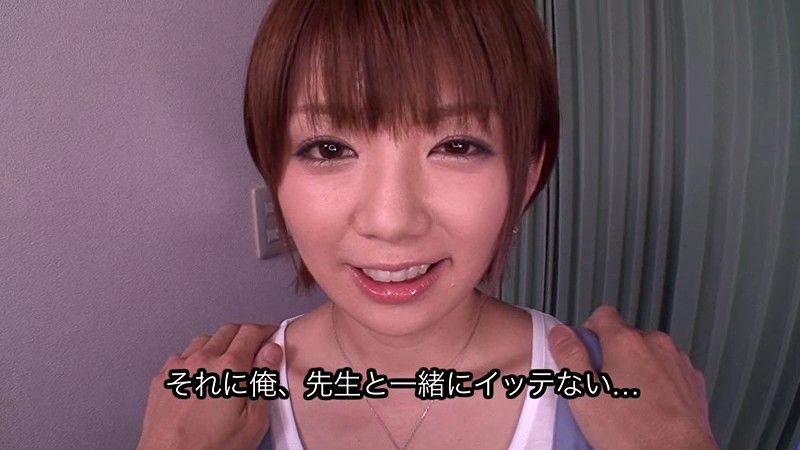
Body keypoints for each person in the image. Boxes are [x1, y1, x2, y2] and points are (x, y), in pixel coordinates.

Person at [138, 1, 717, 448]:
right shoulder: (207, 415)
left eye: (457, 145)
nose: (390, 222)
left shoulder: (627, 406)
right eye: (329, 148)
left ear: (529, 171)